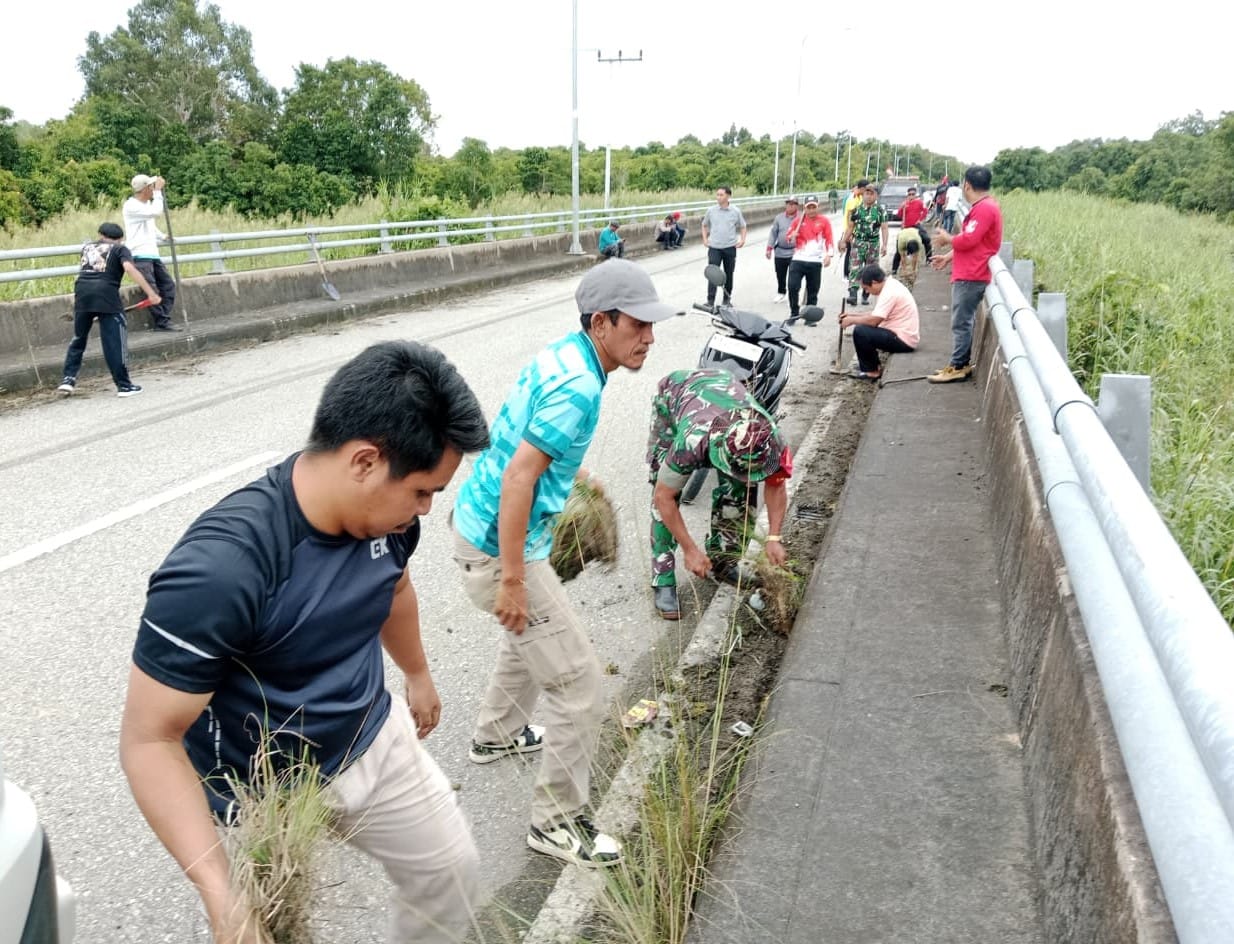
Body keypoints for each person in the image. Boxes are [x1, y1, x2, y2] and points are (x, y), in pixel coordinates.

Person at [119, 341, 491, 944]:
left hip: (371, 738)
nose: (425, 509)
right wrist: (220, 894)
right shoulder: (222, 568)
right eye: (422, 491)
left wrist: (417, 674)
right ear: (365, 461)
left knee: (452, 875)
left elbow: (392, 589)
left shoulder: (393, 524)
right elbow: (149, 739)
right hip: (262, 792)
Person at [452, 258, 681, 867]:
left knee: (528, 636)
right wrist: (513, 578)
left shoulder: (566, 356)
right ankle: (555, 824)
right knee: (578, 683)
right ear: (602, 322)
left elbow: (520, 440)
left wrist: (578, 474)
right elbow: (518, 479)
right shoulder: (580, 385)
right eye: (638, 325)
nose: (649, 338)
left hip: (477, 527)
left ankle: (496, 735)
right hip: (498, 546)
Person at [648, 367, 792, 619]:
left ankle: (723, 560)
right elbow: (664, 498)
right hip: (675, 400)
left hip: (724, 387)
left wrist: (773, 537)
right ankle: (663, 577)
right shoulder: (692, 442)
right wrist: (690, 549)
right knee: (664, 497)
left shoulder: (771, 440)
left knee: (740, 491)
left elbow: (776, 485)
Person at [56, 222, 160, 399]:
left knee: (79, 338)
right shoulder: (120, 249)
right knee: (114, 342)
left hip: (82, 294)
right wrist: (151, 293)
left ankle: (68, 379)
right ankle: (124, 386)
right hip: (107, 297)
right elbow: (129, 268)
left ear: (100, 234)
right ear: (120, 238)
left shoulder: (87, 247)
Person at [928, 165, 1004, 383]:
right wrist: (948, 257)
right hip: (969, 270)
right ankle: (958, 363)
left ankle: (958, 366)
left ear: (967, 185)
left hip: (972, 274)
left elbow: (968, 240)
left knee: (961, 322)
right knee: (962, 320)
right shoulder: (984, 207)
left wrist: (946, 239)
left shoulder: (984, 209)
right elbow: (972, 242)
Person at [122, 174, 180, 331]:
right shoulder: (131, 206)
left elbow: (150, 224)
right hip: (139, 255)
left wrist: (163, 236)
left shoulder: (145, 205)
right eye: (151, 187)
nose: (153, 189)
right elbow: (156, 213)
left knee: (168, 286)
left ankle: (164, 317)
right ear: (145, 189)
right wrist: (159, 192)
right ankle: (162, 322)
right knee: (152, 289)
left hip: (152, 253)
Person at [842, 265, 920, 380]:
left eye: (866, 288)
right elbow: (875, 314)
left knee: (861, 331)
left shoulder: (889, 292)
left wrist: (852, 320)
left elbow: (874, 321)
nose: (867, 292)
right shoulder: (889, 285)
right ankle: (871, 366)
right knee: (862, 327)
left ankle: (872, 371)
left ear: (874, 282)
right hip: (901, 335)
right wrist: (851, 315)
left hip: (903, 340)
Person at [783, 194, 835, 324]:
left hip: (815, 260)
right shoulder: (798, 221)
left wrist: (829, 255)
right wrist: (792, 235)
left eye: (813, 207)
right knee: (793, 287)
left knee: (813, 290)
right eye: (808, 207)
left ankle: (810, 317)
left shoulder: (824, 221)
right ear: (804, 208)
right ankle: (794, 313)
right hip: (798, 259)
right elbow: (788, 237)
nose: (811, 210)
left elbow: (829, 239)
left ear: (817, 207)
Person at [700, 186, 747, 306]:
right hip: (714, 247)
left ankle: (727, 299)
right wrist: (705, 239)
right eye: (717, 195)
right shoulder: (711, 211)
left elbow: (742, 226)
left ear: (728, 196)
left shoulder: (735, 211)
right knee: (713, 273)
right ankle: (710, 300)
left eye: (721, 195)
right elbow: (704, 225)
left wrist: (742, 239)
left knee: (728, 273)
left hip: (729, 247)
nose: (718, 197)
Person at [843, 184, 889, 307]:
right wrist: (844, 241)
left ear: (876, 195)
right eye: (866, 193)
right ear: (863, 195)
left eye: (871, 193)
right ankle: (853, 293)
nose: (868, 196)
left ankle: (865, 294)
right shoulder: (856, 210)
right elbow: (850, 228)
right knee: (854, 268)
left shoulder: (880, 211)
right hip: (858, 242)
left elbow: (884, 228)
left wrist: (885, 245)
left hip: (873, 244)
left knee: (871, 270)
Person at [764, 196, 800, 302]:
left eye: (793, 204)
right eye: (788, 203)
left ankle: (794, 294)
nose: (790, 206)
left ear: (796, 206)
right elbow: (773, 233)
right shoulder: (779, 218)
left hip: (795, 251)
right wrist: (769, 248)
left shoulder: (801, 217)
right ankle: (781, 292)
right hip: (780, 251)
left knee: (794, 275)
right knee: (780, 274)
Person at [841, 178, 869, 281]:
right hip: (851, 231)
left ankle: (859, 274)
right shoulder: (852, 199)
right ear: (861, 188)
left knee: (860, 254)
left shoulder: (862, 198)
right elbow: (849, 217)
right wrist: (849, 233)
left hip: (861, 232)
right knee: (850, 253)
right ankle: (847, 274)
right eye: (866, 189)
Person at [896, 185, 932, 262]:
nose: (911, 196)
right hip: (906, 227)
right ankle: (895, 267)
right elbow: (899, 215)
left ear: (915, 195)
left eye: (913, 194)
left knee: (927, 239)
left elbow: (925, 211)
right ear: (907, 195)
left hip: (916, 226)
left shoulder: (919, 202)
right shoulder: (904, 204)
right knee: (899, 244)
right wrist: (902, 207)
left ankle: (929, 259)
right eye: (910, 194)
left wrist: (920, 219)